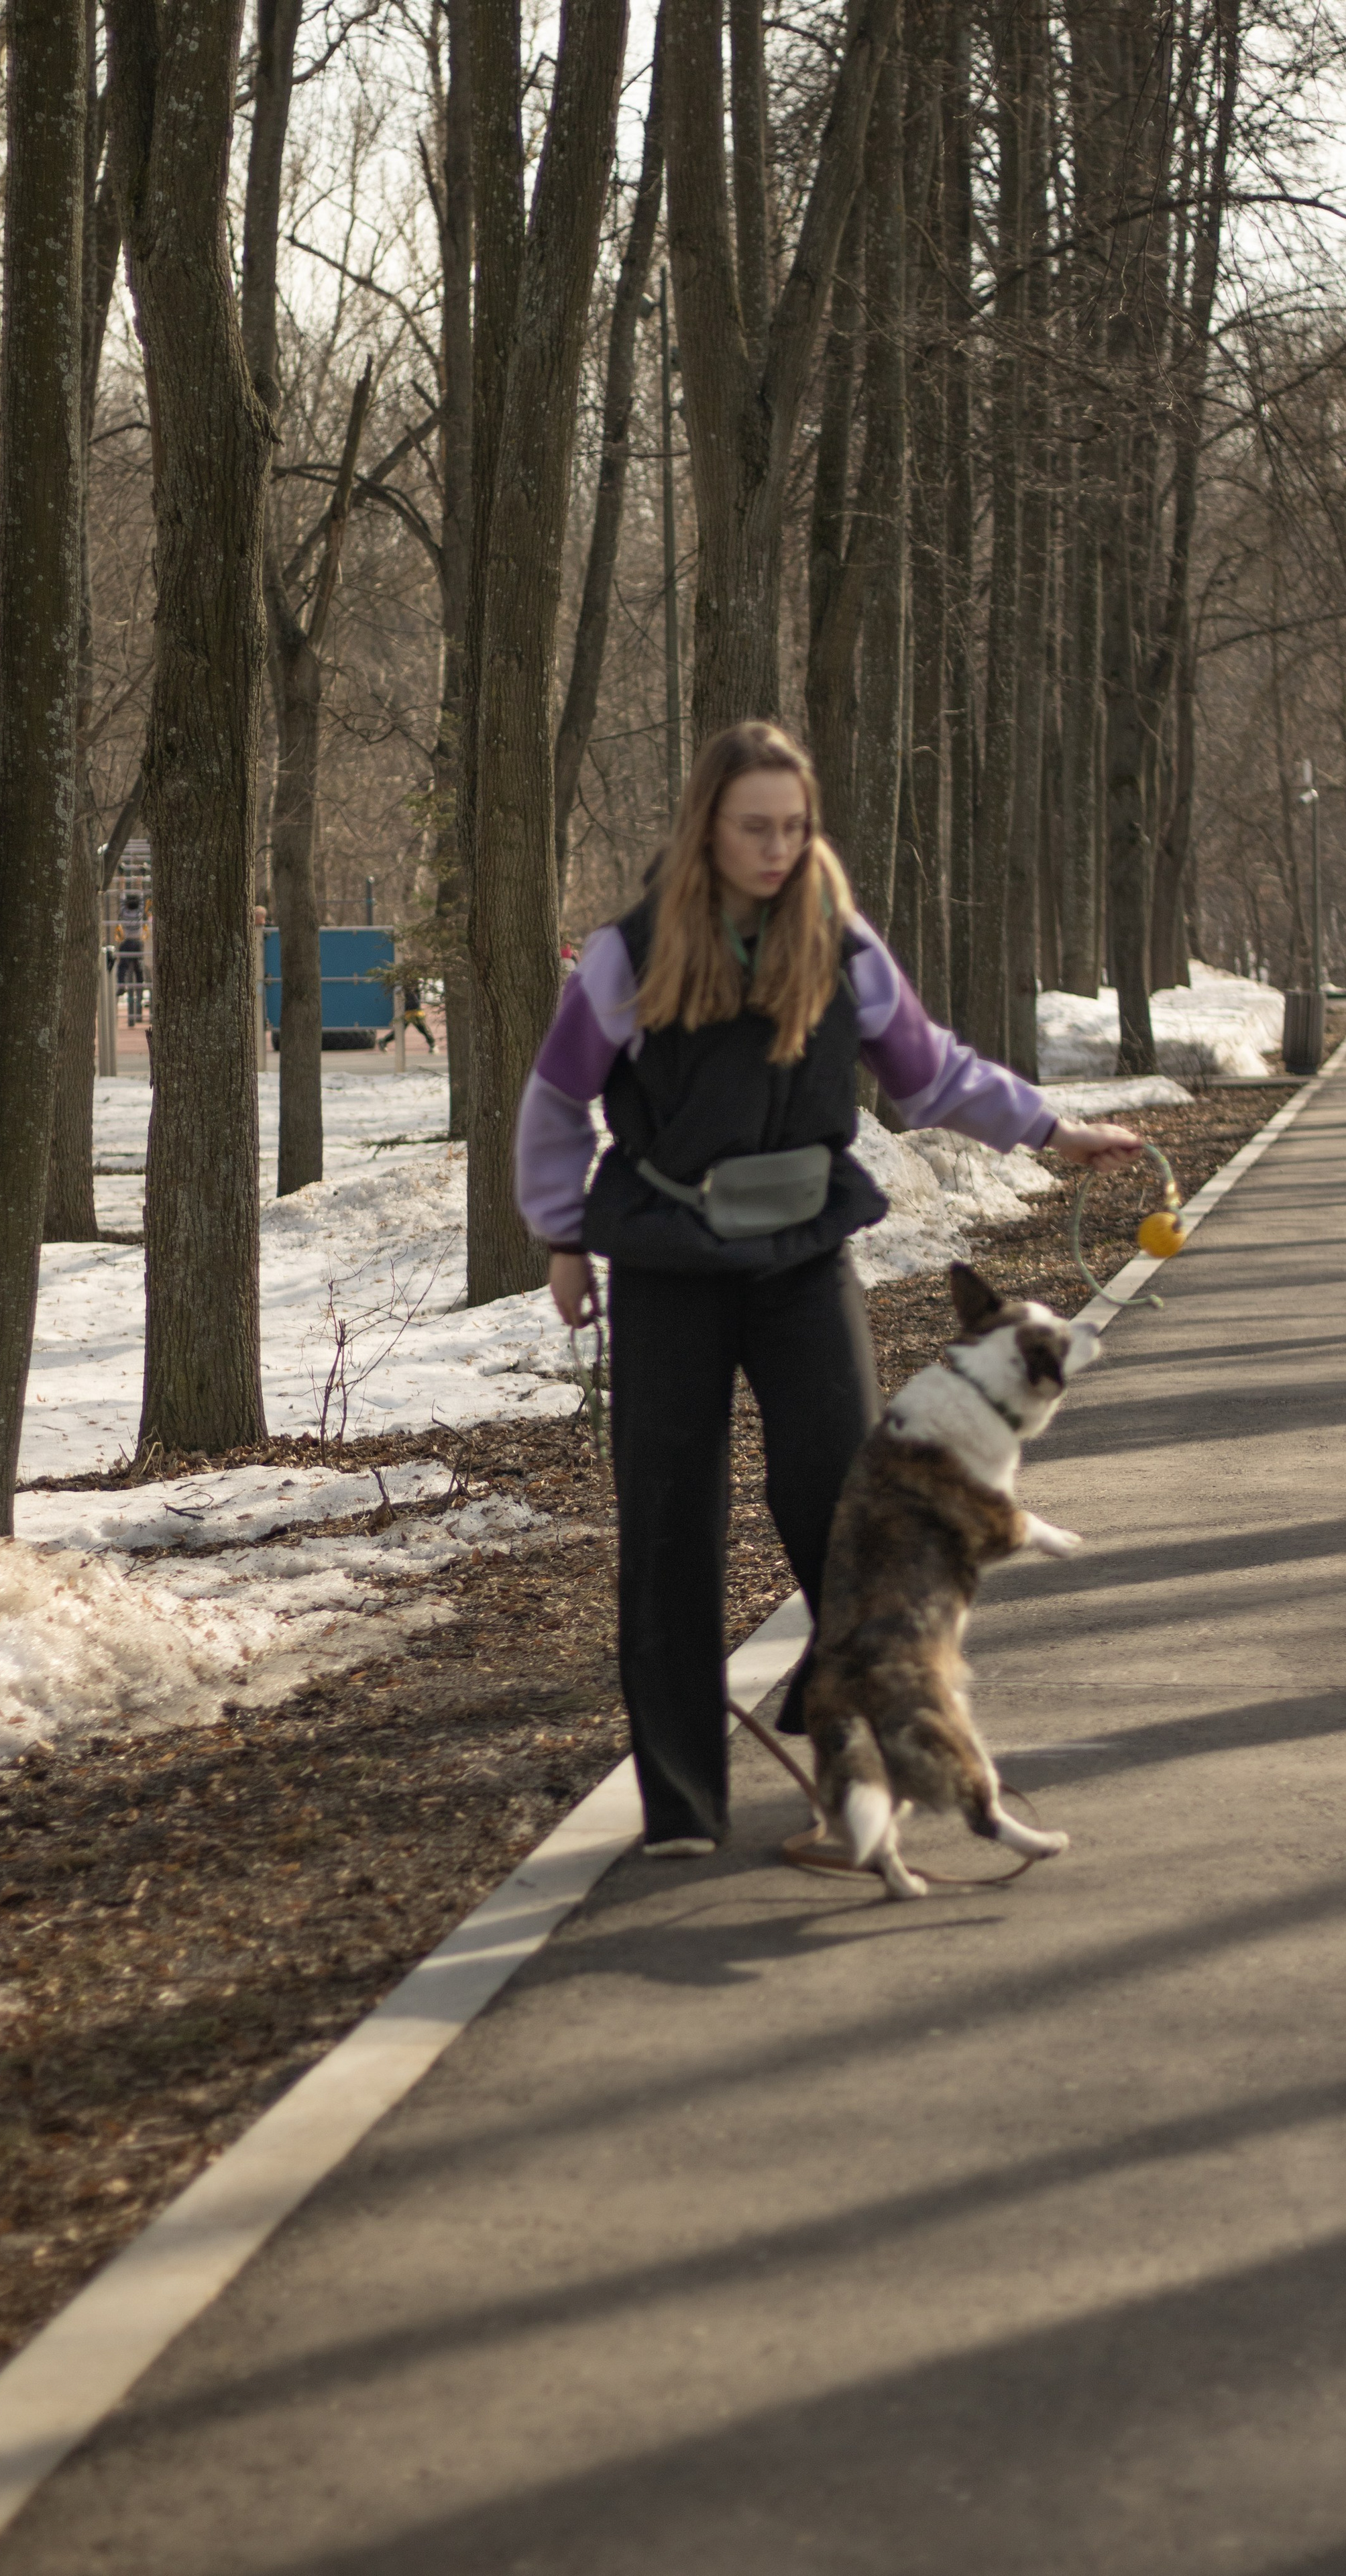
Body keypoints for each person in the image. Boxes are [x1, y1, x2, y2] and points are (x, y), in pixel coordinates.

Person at [514, 719, 1141, 1857]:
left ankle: (854, 1757)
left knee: (855, 1517)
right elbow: (557, 1103)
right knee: (671, 1531)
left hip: (802, 1254)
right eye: (754, 827)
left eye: (794, 828)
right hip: (666, 1258)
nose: (776, 849)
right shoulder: (631, 952)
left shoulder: (840, 942)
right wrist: (563, 1239)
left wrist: (1054, 1127)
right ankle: (682, 1814)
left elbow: (932, 1071)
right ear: (707, 824)